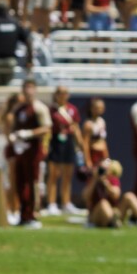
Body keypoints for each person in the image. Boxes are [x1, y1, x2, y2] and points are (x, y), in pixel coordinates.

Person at [7, 80, 52, 228]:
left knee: (32, 183)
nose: (27, 91)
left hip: (33, 150)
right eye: (25, 88)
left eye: (30, 88)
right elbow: (13, 126)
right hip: (21, 149)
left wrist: (29, 133)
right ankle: (22, 214)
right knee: (20, 182)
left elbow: (46, 128)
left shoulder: (39, 108)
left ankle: (31, 215)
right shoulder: (19, 109)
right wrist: (14, 137)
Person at [44, 87, 84, 216]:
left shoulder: (72, 109)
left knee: (68, 174)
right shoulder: (51, 110)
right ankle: (51, 203)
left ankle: (66, 203)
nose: (63, 95)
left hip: (68, 142)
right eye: (61, 93)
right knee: (54, 174)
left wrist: (81, 144)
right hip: (56, 142)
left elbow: (76, 127)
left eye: (65, 93)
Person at [84, 160, 137, 228]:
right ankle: (112, 221)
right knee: (103, 203)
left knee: (129, 196)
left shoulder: (112, 179)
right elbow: (85, 197)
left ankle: (115, 220)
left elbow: (116, 195)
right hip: (96, 214)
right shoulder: (93, 179)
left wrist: (106, 184)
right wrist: (95, 180)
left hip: (114, 212)